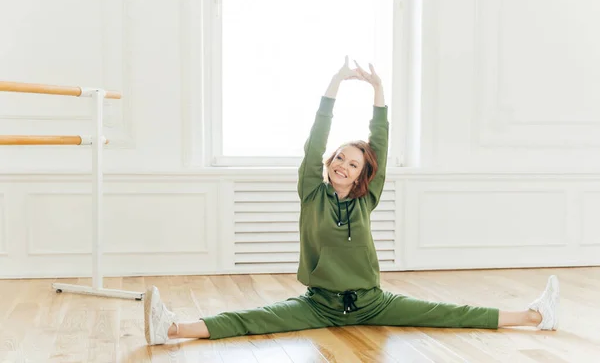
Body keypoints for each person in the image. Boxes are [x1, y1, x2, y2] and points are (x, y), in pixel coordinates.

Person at [143, 57, 559, 345]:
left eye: (353, 163)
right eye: (340, 157)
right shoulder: (311, 191)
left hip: (372, 302)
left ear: (364, 174)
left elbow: (379, 139)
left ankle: (535, 317)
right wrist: (335, 85)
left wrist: (378, 91)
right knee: (250, 320)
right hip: (320, 306)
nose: (343, 164)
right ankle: (172, 329)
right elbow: (316, 138)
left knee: (449, 312)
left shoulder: (366, 201)